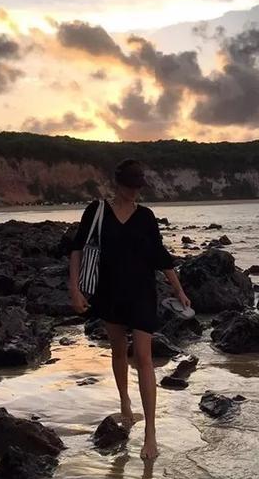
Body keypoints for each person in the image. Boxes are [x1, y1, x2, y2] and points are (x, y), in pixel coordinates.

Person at [68, 159, 191, 460]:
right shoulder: (96, 211)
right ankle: (125, 401)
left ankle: (150, 431)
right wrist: (74, 288)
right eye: (129, 186)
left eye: (138, 186)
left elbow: (160, 255)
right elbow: (77, 248)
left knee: (145, 358)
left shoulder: (146, 217)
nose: (134, 192)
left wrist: (178, 288)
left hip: (141, 293)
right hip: (109, 291)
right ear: (116, 184)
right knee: (119, 351)